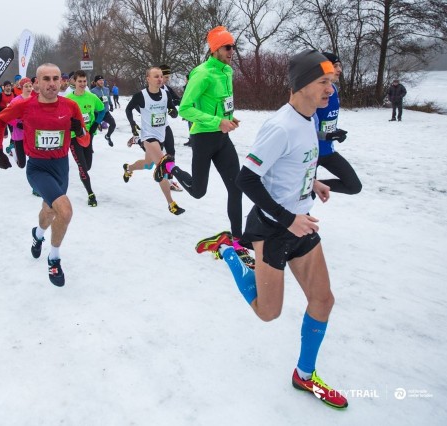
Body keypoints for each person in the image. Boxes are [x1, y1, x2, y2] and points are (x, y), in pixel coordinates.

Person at [198, 49, 348, 409]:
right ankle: (230, 250)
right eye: (323, 82)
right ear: (300, 85)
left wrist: (312, 184)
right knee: (268, 312)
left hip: (300, 222)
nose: (330, 90)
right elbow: (246, 178)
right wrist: (287, 219)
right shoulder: (281, 126)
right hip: (273, 227)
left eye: (331, 82)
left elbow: (294, 164)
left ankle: (304, 375)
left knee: (323, 299)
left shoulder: (308, 118)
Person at [154, 26, 254, 268]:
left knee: (236, 188)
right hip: (203, 138)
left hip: (222, 138)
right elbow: (186, 109)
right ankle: (169, 166)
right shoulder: (202, 74)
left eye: (233, 46)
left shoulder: (227, 71)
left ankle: (237, 241)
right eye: (227, 47)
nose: (232, 51)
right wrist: (216, 121)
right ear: (215, 49)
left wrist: (229, 118)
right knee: (199, 191)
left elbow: (222, 104)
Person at [0, 63, 89, 287]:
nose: (52, 83)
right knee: (64, 210)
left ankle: (37, 233)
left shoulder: (70, 106)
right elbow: (0, 120)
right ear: (36, 83)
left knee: (50, 211)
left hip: (61, 167)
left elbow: (84, 141)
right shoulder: (25, 106)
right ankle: (54, 258)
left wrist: (80, 130)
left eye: (56, 78)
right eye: (46, 79)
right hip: (38, 167)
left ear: (62, 82)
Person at [124, 66, 185, 215]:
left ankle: (128, 168)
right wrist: (133, 124)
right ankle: (171, 204)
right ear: (148, 79)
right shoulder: (141, 95)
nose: (160, 79)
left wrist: (173, 111)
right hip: (149, 137)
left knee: (148, 164)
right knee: (161, 166)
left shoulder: (165, 94)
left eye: (161, 76)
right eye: (156, 76)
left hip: (162, 134)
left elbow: (174, 112)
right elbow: (128, 109)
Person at [315, 52, 362, 195]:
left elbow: (325, 121)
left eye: (340, 66)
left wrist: (335, 133)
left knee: (354, 186)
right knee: (303, 200)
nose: (340, 69)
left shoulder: (333, 90)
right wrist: (328, 135)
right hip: (311, 153)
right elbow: (304, 128)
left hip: (328, 152)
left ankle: (312, 185)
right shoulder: (314, 92)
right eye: (335, 66)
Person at [66, 70, 106, 206]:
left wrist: (95, 124)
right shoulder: (68, 100)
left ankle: (83, 173)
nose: (82, 84)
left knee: (87, 166)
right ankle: (90, 194)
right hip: (73, 137)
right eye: (79, 81)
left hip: (88, 136)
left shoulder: (92, 97)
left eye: (84, 81)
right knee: (82, 167)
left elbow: (102, 110)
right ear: (74, 82)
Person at [90, 75, 116, 146]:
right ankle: (90, 146)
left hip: (106, 112)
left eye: (102, 80)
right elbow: (91, 103)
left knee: (113, 124)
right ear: (96, 82)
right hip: (97, 113)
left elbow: (108, 97)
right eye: (99, 80)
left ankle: (107, 136)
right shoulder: (92, 91)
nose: (101, 82)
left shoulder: (106, 89)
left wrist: (111, 105)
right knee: (92, 130)